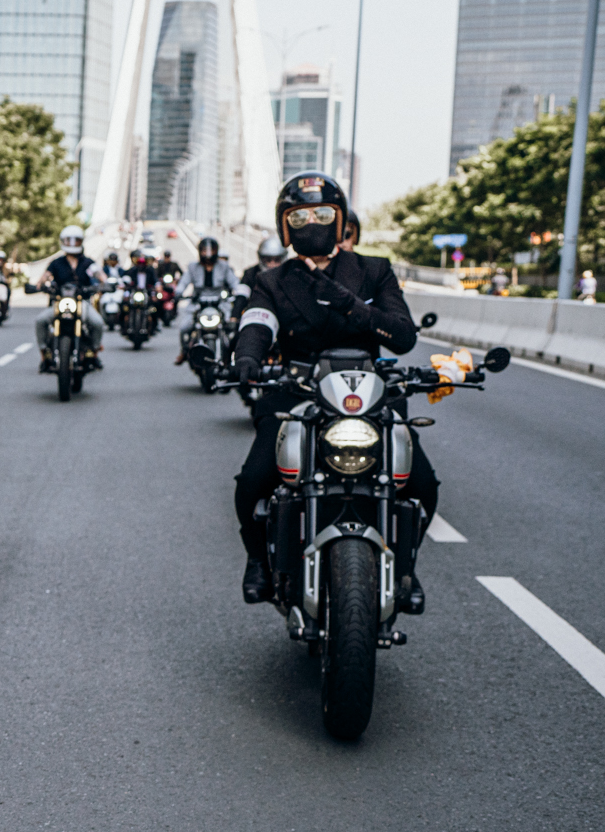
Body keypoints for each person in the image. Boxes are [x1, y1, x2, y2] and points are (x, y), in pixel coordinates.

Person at [230, 173, 433, 611]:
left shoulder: (375, 270)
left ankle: (406, 568)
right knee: (251, 482)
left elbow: (402, 336)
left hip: (368, 391)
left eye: (322, 214)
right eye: (299, 216)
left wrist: (346, 302)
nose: (312, 223)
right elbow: (257, 322)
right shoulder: (272, 281)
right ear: (285, 226)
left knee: (422, 482)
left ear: (340, 221)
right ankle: (257, 562)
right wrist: (246, 355)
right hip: (297, 390)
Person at [37, 224, 106, 365]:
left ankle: (94, 352)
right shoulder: (56, 263)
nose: (73, 244)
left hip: (82, 302)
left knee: (98, 323)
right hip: (60, 302)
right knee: (40, 320)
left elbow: (100, 275)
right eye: (69, 240)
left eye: (76, 240)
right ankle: (44, 354)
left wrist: (105, 283)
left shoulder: (88, 262)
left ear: (81, 241)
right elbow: (45, 276)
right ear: (63, 241)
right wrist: (40, 284)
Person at [174, 236, 239, 364]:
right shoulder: (192, 267)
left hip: (220, 304)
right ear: (200, 251)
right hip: (197, 304)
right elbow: (183, 282)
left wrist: (239, 293)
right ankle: (185, 351)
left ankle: (231, 354)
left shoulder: (224, 266)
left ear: (216, 251)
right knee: (184, 327)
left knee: (232, 327)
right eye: (204, 251)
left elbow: (235, 283)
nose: (208, 254)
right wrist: (178, 293)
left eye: (211, 250)